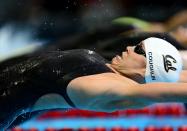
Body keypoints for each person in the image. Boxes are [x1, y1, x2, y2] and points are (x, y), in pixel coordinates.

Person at [0, 37, 187, 130]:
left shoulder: (115, 88)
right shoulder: (113, 71)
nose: (129, 47)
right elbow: (171, 77)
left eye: (138, 49)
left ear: (147, 70)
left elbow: (165, 91)